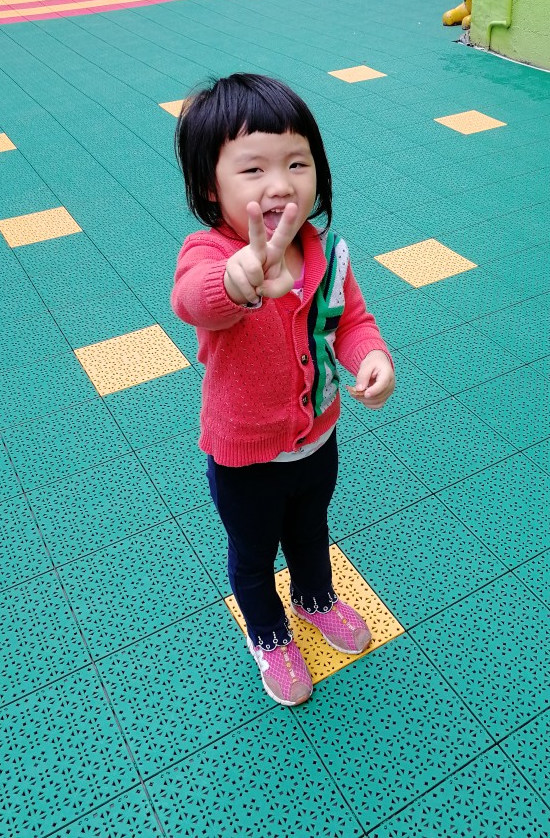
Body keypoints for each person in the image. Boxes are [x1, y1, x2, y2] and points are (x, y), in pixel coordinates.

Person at [171, 73, 395, 706]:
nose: (279, 183)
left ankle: (314, 598)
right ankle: (267, 632)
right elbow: (191, 300)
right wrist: (236, 279)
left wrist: (372, 357)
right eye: (253, 169)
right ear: (209, 186)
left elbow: (349, 321)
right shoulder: (210, 254)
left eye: (297, 163)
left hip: (317, 438)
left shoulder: (326, 253)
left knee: (310, 530)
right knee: (252, 552)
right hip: (245, 456)